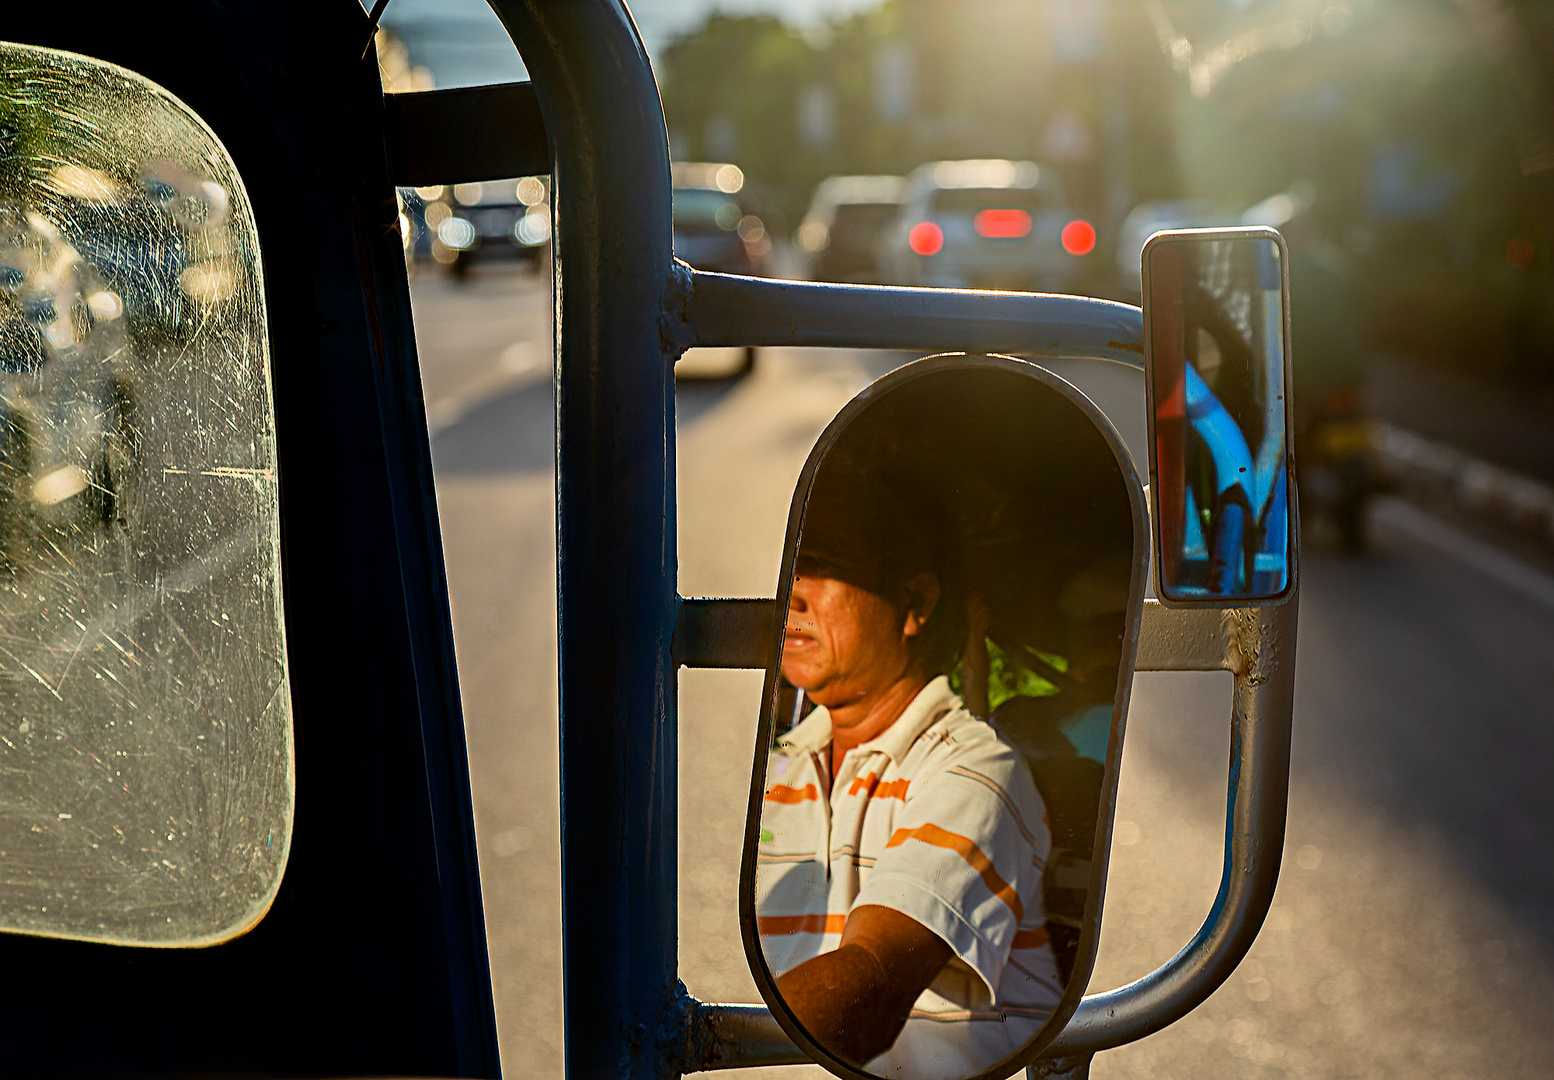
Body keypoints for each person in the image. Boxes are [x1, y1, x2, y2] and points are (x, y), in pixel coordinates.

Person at [755, 471, 1064, 1080]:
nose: (792, 591)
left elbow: (871, 987)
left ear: (915, 604)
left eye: (823, 566)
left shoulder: (976, 771)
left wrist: (709, 1046)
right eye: (790, 563)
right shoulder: (782, 763)